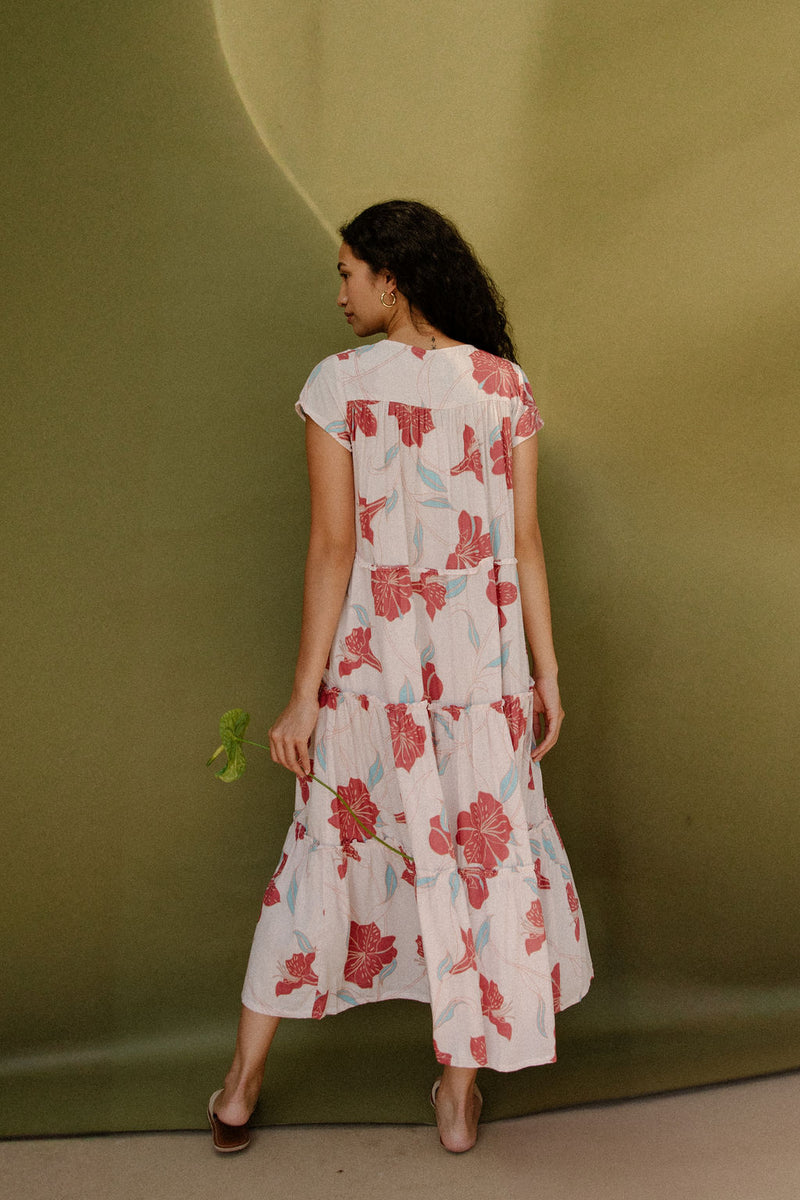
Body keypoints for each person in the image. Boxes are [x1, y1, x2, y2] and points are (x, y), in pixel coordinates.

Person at [207, 200, 593, 1155]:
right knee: (476, 862)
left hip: (375, 681)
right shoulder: (505, 387)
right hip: (484, 679)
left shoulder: (341, 386)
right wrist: (545, 675)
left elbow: (334, 549)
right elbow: (525, 547)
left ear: (394, 276)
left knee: (317, 861)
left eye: (348, 272)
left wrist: (304, 695)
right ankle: (457, 1098)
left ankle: (239, 1087)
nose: (338, 292)